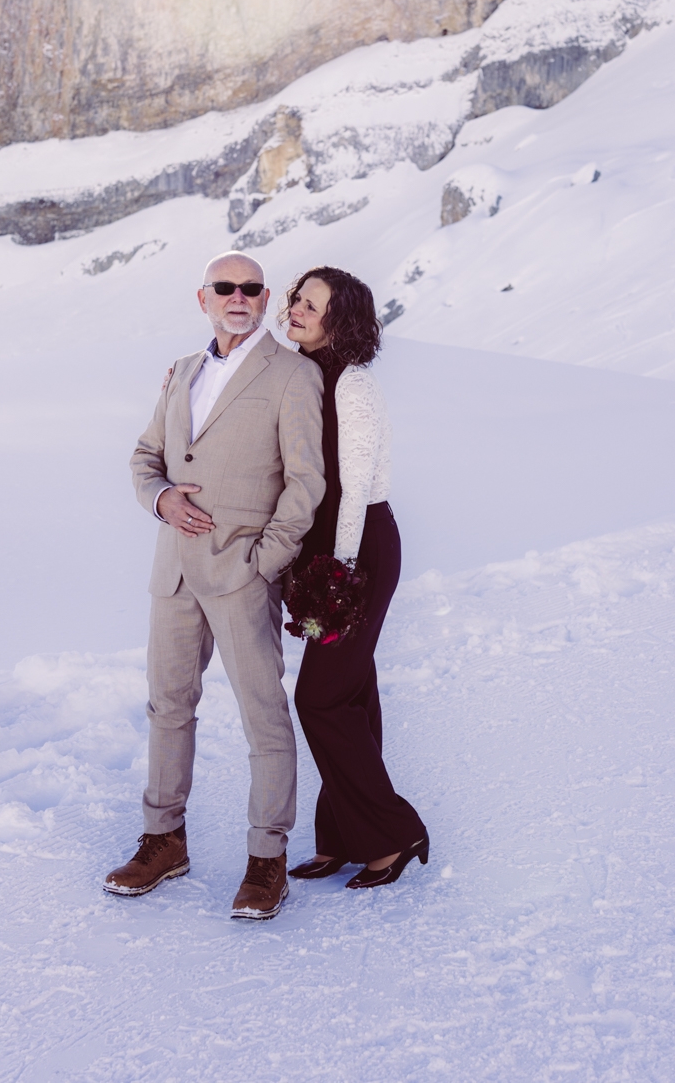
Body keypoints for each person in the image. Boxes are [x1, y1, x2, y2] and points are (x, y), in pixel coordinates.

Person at [104, 253, 325, 920]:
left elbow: (306, 481)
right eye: (225, 287)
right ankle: (164, 839)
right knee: (167, 706)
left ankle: (267, 860)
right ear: (202, 297)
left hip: (242, 574)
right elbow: (146, 458)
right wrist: (162, 498)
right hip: (173, 570)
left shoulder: (293, 374)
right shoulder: (183, 372)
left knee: (263, 715)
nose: (238, 296)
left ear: (265, 301)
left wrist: (265, 560)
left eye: (251, 288)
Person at [282, 266, 428, 888]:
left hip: (358, 543)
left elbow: (354, 488)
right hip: (325, 546)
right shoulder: (304, 372)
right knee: (352, 693)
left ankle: (394, 830)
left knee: (319, 698)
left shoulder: (354, 385)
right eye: (296, 297)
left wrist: (338, 574)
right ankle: (343, 836)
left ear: (340, 320)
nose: (296, 309)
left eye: (312, 305)